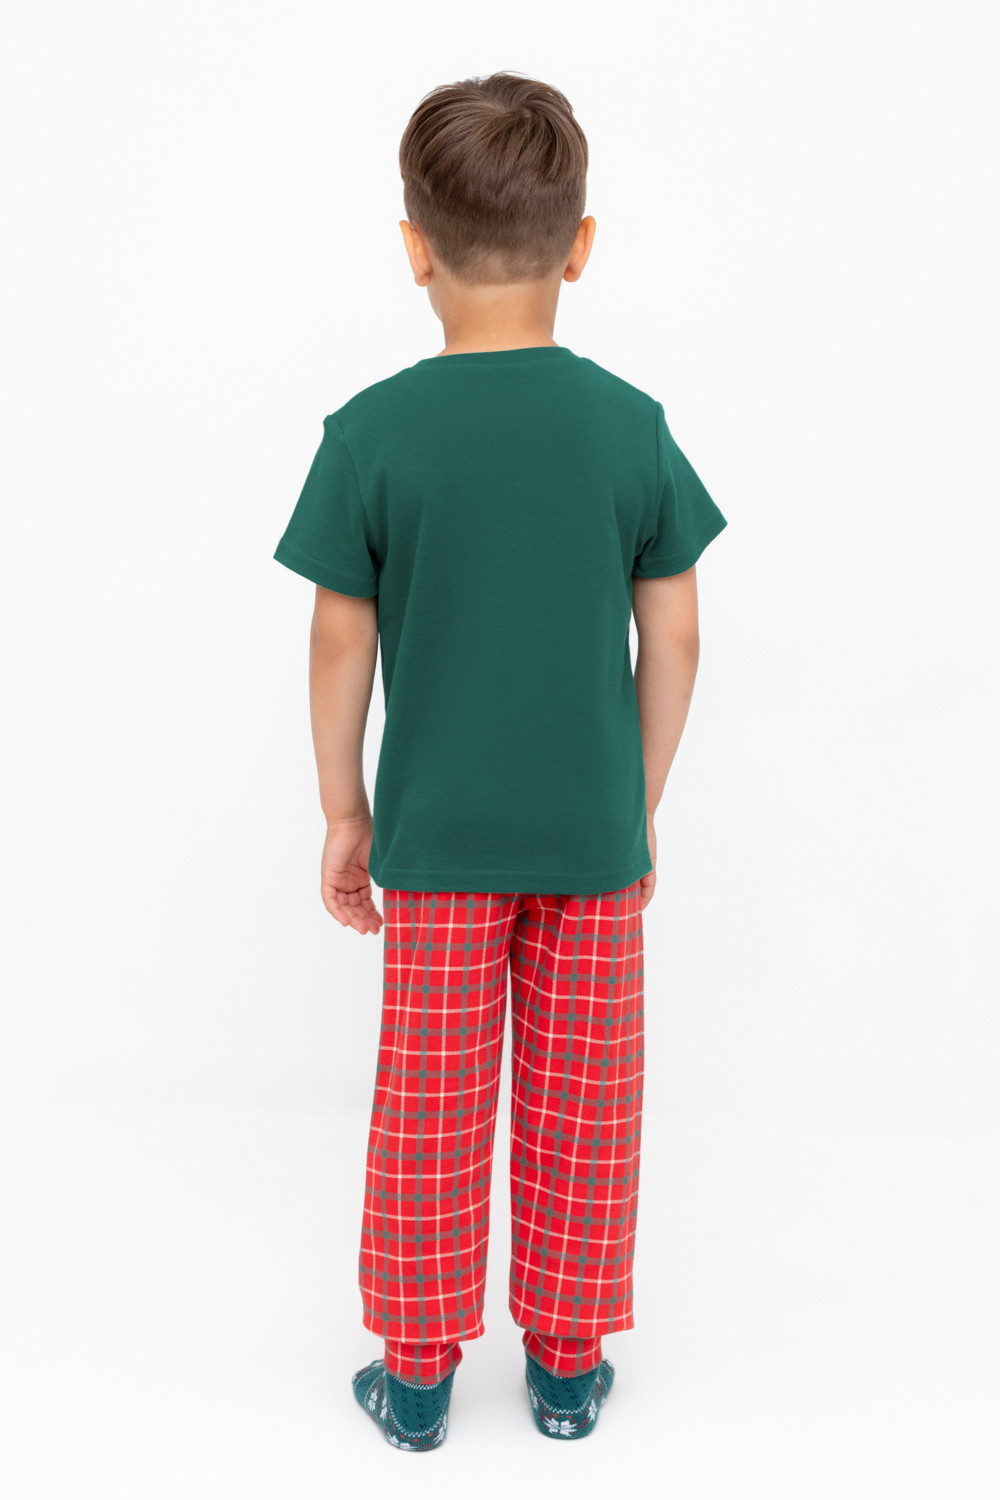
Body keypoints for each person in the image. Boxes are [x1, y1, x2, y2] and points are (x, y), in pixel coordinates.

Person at [272, 70, 728, 1451]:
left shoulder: (370, 433)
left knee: (431, 1103)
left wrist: (345, 811)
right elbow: (677, 637)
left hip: (439, 842)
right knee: (585, 1107)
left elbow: (338, 642)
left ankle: (416, 1375)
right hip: (590, 843)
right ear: (580, 246)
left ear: (414, 249)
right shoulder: (629, 426)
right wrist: (634, 802)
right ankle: (568, 1368)